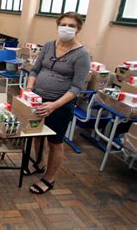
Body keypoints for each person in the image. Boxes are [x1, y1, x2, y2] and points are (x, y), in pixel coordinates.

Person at [25, 12, 90, 195]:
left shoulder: (82, 54)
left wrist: (54, 105)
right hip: (37, 100)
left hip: (60, 105)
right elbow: (35, 70)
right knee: (37, 135)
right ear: (57, 25)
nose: (67, 28)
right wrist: (30, 91)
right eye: (63, 24)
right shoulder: (48, 46)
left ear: (78, 29)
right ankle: (38, 163)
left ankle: (49, 178)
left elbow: (77, 87)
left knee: (55, 142)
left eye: (72, 26)